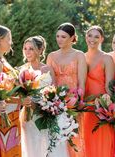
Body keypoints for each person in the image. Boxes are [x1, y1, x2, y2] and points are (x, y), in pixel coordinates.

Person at [47, 22, 87, 157]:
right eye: (57, 36)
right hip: (55, 103)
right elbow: (49, 81)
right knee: (57, 135)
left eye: (63, 37)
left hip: (73, 102)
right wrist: (50, 101)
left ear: (72, 38)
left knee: (73, 136)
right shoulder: (51, 56)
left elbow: (82, 81)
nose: (59, 39)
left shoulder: (79, 55)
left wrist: (79, 101)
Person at [0, 24, 22, 157]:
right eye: (9, 38)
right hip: (5, 114)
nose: (11, 42)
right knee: (7, 149)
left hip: (12, 113)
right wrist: (19, 99)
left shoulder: (2, 59)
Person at [20, 35, 55, 157]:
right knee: (30, 147)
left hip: (44, 114)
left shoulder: (47, 69)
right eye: (25, 48)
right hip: (28, 115)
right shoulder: (22, 70)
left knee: (45, 146)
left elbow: (53, 92)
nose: (27, 52)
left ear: (40, 50)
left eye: (31, 48)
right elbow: (19, 94)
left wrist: (45, 105)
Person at [84, 26, 115, 157]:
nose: (93, 39)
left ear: (102, 39)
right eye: (90, 35)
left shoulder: (107, 58)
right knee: (86, 142)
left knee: (101, 144)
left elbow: (110, 86)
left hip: (101, 108)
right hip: (84, 107)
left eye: (97, 36)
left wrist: (108, 108)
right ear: (86, 37)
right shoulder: (81, 57)